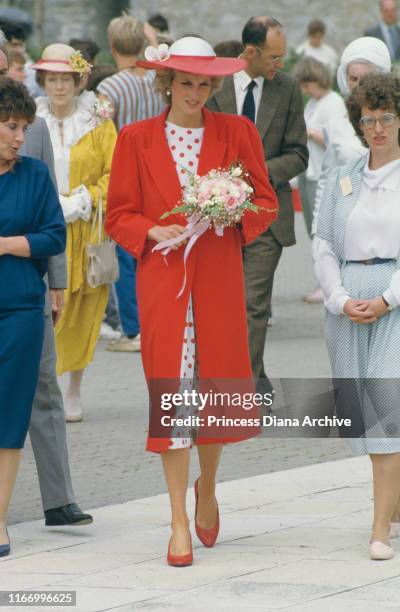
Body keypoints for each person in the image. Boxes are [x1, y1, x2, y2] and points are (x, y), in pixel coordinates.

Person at [106, 36, 278, 567]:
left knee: (216, 393)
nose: (196, 93)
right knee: (174, 397)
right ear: (166, 83)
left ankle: (208, 489)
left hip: (219, 279)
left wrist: (229, 212)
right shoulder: (135, 139)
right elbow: (118, 215)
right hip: (163, 283)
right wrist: (152, 232)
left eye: (205, 84)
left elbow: (265, 203)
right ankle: (178, 519)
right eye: (186, 83)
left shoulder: (237, 132)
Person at [0, 49, 93, 527]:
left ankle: (57, 498)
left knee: (41, 390)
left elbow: (48, 211)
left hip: (25, 290)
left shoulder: (27, 126)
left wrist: (56, 282)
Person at [314, 73, 400, 560]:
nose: (379, 128)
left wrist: (388, 299)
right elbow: (324, 244)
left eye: (387, 117)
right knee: (366, 415)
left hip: (394, 300)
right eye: (369, 120)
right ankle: (397, 505)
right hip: (349, 302)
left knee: (388, 410)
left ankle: (379, 529)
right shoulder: (345, 174)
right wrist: (340, 298)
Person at [207, 16, 308, 392]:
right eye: (274, 57)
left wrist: (258, 171)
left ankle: (240, 390)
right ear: (250, 52)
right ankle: (250, 380)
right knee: (223, 306)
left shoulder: (288, 88)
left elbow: (299, 154)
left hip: (266, 215)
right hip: (217, 217)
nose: (279, 64)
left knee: (252, 305)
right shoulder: (215, 86)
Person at [32, 44, 117, 423]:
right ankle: (41, 384)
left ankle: (74, 387)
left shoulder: (98, 119)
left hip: (85, 229)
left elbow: (116, 174)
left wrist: (87, 198)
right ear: (42, 81)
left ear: (79, 79)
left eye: (66, 78)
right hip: (40, 227)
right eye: (52, 79)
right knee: (43, 309)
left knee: (83, 308)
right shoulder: (29, 119)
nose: (60, 86)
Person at [0, 78, 66, 557]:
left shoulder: (36, 176)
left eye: (23, 127)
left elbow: (53, 236)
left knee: (10, 417)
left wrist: (5, 245)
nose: (19, 136)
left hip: (21, 310)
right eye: (9, 126)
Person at [98, 14, 164, 353]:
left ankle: (132, 328)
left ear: (112, 47)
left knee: (126, 252)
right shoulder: (156, 78)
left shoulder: (109, 88)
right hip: (156, 171)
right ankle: (153, 319)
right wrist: (152, 41)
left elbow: (100, 132)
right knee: (152, 250)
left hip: (124, 172)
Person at [312, 37, 392, 237]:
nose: (358, 86)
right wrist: (318, 230)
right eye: (353, 78)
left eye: (365, 79)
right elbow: (328, 178)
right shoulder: (336, 123)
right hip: (349, 222)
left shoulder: (394, 119)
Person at [293, 57, 346, 238]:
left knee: (322, 229)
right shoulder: (312, 103)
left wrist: (311, 133)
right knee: (311, 228)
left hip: (323, 173)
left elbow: (339, 141)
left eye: (307, 85)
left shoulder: (334, 102)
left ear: (317, 80)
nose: (305, 90)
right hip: (308, 170)